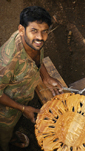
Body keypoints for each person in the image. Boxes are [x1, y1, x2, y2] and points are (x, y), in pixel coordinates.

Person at [0, 6, 62, 151]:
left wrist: (46, 77)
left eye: (44, 31)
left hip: (21, 96)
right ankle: (8, 142)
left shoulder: (33, 41)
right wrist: (23, 108)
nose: (40, 37)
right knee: (4, 133)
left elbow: (37, 57)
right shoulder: (7, 63)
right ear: (21, 30)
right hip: (4, 111)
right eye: (34, 30)